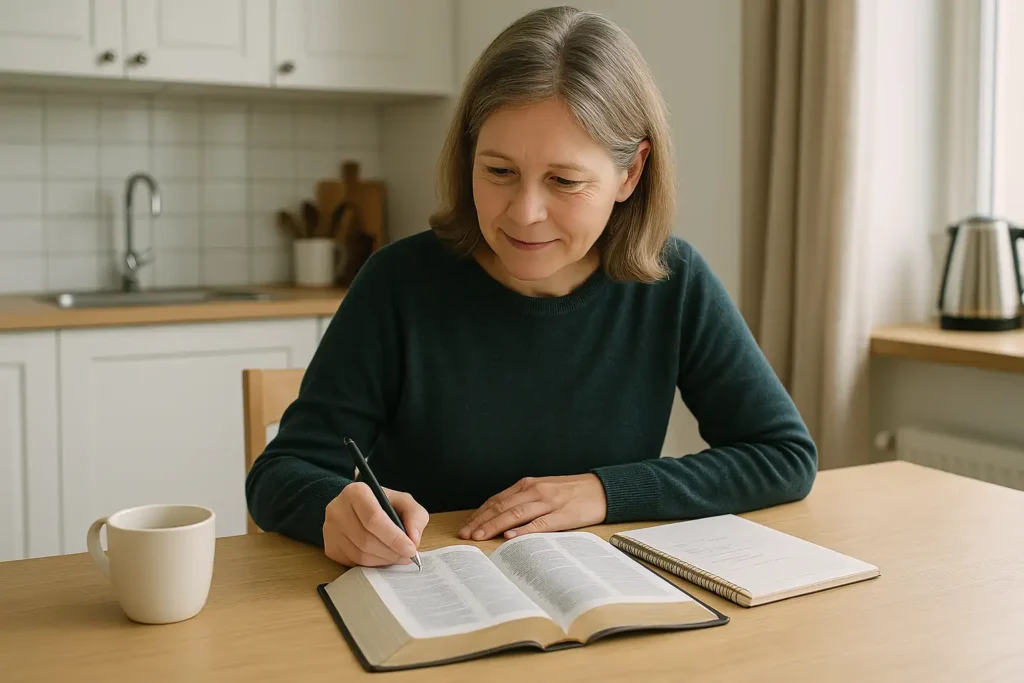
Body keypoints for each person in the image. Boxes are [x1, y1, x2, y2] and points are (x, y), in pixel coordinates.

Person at [245, 6, 816, 569]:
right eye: (498, 172)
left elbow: (783, 456)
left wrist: (605, 492)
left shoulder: (674, 280)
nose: (524, 213)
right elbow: (281, 472)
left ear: (631, 174)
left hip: (602, 602)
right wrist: (332, 508)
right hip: (437, 599)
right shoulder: (398, 283)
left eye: (564, 181)